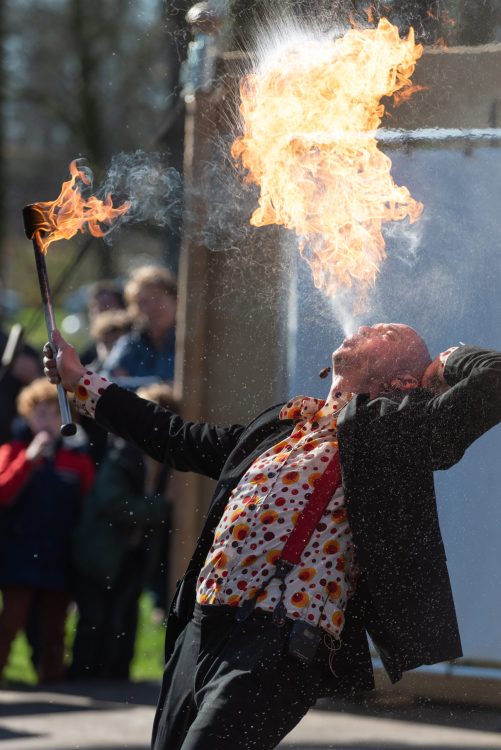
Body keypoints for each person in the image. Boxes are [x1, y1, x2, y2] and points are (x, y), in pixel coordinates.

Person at [43, 324, 501, 749]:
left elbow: (496, 381)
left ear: (402, 381)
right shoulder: (280, 429)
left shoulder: (395, 433)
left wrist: (451, 359)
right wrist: (80, 380)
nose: (364, 327)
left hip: (277, 644)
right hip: (201, 628)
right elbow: (174, 436)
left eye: (384, 332)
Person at [69, 382, 178, 681]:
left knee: (124, 616)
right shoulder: (122, 455)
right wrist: (162, 506)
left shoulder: (168, 462)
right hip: (100, 553)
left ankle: (117, 678)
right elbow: (116, 505)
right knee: (95, 618)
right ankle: (83, 679)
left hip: (132, 553)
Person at [0, 378, 94, 683]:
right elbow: (3, 493)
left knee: (55, 625)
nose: (47, 421)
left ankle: (53, 680)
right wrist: (28, 460)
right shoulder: (12, 451)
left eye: (55, 414)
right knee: (11, 620)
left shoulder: (76, 458)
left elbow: (89, 503)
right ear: (26, 415)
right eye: (40, 413)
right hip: (18, 552)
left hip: (58, 552)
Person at [101, 265, 177, 382]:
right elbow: (106, 385)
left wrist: (130, 384)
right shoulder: (129, 345)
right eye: (143, 302)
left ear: (175, 300)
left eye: (157, 299)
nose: (151, 308)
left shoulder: (193, 343)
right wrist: (163, 384)